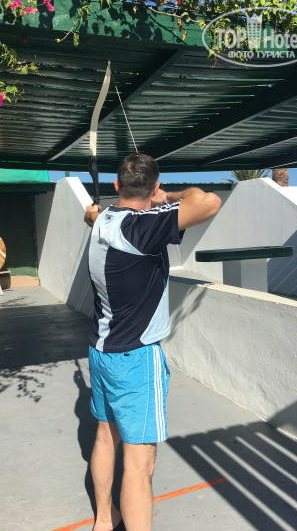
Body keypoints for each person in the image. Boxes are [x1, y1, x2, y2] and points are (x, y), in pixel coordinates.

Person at [84, 153, 221, 531]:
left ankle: (104, 519)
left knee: (105, 437)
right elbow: (208, 200)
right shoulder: (142, 228)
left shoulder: (102, 220)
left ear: (116, 185)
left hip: (100, 350)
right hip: (136, 358)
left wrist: (95, 214)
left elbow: (93, 215)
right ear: (154, 186)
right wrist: (168, 197)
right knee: (139, 463)